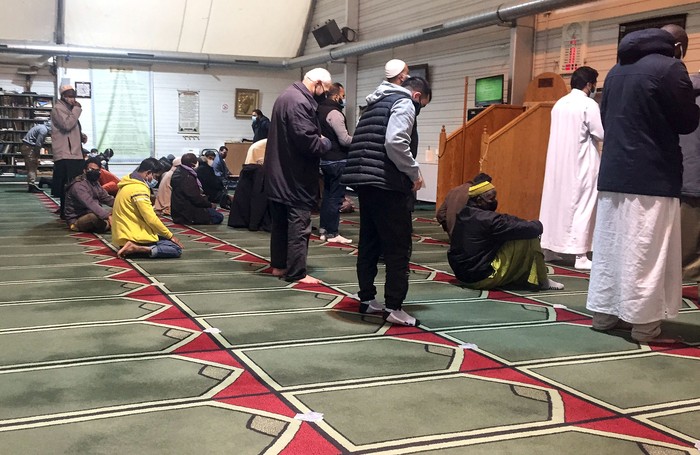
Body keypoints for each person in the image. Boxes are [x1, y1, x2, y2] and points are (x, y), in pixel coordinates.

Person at [586, 25, 700, 342]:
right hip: (653, 173)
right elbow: (688, 121)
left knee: (610, 248)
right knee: (645, 251)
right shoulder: (670, 67)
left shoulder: (615, 70)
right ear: (677, 45)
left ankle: (604, 314)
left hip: (612, 172)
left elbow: (606, 117)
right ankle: (644, 324)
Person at [341, 76, 431, 327]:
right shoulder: (404, 104)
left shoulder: (374, 103)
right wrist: (414, 172)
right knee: (398, 248)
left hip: (365, 183)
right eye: (423, 103)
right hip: (388, 184)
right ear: (417, 96)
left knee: (369, 242)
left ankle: (367, 299)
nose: (420, 109)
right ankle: (394, 306)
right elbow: (395, 142)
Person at [263, 68, 333, 284]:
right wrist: (326, 141)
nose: (325, 95)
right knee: (298, 226)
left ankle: (279, 266)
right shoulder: (299, 102)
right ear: (318, 83)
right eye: (326, 90)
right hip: (295, 178)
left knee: (281, 225)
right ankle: (296, 272)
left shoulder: (286, 96)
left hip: (279, 175)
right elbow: (309, 143)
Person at [447, 174, 565, 292]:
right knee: (530, 237)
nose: (494, 202)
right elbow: (530, 228)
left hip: (461, 276)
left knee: (514, 233)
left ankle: (528, 277)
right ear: (479, 200)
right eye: (491, 199)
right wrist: (537, 224)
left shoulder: (465, 213)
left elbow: (506, 220)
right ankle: (542, 280)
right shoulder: (487, 219)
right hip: (480, 278)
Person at [539, 66, 604, 270]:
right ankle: (580, 255)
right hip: (581, 162)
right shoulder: (588, 104)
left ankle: (548, 248)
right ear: (589, 84)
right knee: (582, 206)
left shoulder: (559, 104)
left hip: (558, 163)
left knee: (554, 205)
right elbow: (600, 133)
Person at [112, 157, 184, 259]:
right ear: (148, 173)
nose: (156, 180)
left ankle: (135, 247)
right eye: (156, 177)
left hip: (123, 235)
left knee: (164, 240)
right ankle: (137, 248)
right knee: (175, 248)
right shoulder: (139, 189)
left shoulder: (127, 184)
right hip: (134, 237)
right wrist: (170, 235)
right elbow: (151, 219)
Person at [317, 82, 353, 244]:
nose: (344, 99)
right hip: (337, 160)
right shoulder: (335, 113)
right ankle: (332, 232)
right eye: (343, 96)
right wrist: (361, 139)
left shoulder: (318, 110)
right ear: (337, 95)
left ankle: (324, 229)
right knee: (335, 197)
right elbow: (344, 140)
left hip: (324, 159)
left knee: (327, 196)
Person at [51, 85, 84, 219]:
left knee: (75, 184)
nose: (73, 99)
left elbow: (70, 129)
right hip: (66, 154)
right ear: (63, 96)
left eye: (73, 96)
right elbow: (66, 125)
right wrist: (77, 109)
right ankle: (66, 212)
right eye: (70, 96)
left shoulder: (67, 109)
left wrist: (80, 135)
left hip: (73, 153)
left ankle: (71, 210)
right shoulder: (58, 109)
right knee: (67, 185)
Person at [171, 153, 224, 225]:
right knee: (219, 217)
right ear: (193, 163)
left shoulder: (178, 172)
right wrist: (209, 204)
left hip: (177, 210)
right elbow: (195, 198)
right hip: (187, 213)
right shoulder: (187, 177)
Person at [64, 157, 114, 233]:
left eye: (97, 170)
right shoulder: (78, 186)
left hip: (94, 213)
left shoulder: (95, 182)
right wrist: (108, 216)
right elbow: (90, 204)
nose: (94, 172)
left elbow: (106, 198)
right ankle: (108, 225)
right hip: (78, 219)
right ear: (85, 171)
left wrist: (121, 205)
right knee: (92, 217)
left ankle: (108, 225)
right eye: (91, 170)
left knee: (118, 209)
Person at [20, 121, 51, 192]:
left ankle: (31, 184)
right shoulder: (44, 130)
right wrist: (38, 156)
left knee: (30, 167)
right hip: (30, 148)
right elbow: (38, 144)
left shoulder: (40, 126)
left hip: (26, 146)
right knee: (32, 167)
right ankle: (32, 185)